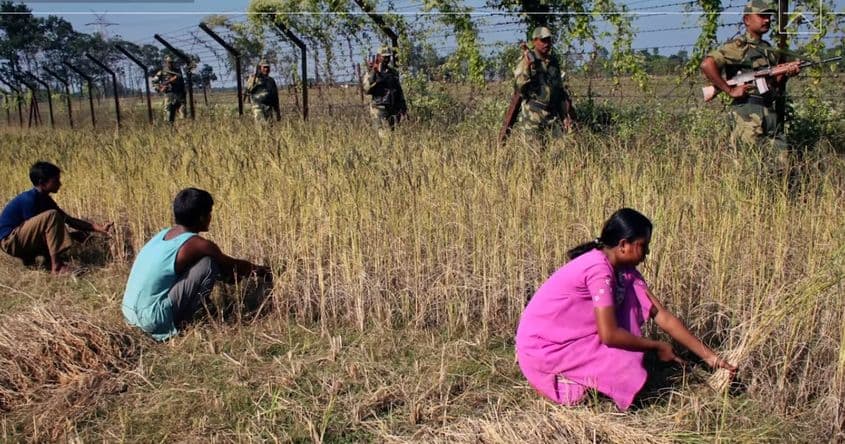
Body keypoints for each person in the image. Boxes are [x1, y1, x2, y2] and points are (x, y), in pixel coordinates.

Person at [515, 208, 736, 411]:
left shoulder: (624, 272)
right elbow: (610, 335)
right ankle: (561, 381)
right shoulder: (598, 269)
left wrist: (712, 359)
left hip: (568, 339)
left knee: (629, 357)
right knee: (627, 364)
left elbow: (663, 317)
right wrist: (656, 345)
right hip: (544, 349)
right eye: (643, 245)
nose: (647, 253)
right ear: (623, 245)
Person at [121, 188, 270, 341]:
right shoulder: (197, 244)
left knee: (203, 265)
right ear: (201, 217)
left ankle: (200, 312)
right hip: (152, 320)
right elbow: (232, 266)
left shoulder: (163, 234)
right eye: (209, 213)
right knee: (208, 264)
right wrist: (262, 271)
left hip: (129, 313)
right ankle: (184, 324)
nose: (211, 217)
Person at [700, 0, 800, 166]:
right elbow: (707, 64)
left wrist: (787, 73)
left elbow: (774, 83)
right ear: (747, 20)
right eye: (761, 16)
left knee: (781, 166)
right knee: (748, 167)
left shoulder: (768, 49)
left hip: (769, 112)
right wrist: (729, 90)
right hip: (747, 112)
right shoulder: (737, 47)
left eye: (768, 16)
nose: (767, 20)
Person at [0, 161, 113, 274]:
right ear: (42, 183)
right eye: (56, 180)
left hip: (19, 239)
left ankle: (40, 262)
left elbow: (69, 220)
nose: (60, 184)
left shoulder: (45, 199)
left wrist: (99, 228)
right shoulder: (29, 199)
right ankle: (57, 267)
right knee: (52, 215)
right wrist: (70, 236)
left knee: (53, 216)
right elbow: (38, 235)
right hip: (10, 242)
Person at [513, 26, 575, 139]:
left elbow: (559, 90)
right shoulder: (526, 60)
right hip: (533, 115)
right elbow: (519, 87)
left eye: (548, 40)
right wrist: (528, 66)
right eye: (543, 40)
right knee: (534, 153)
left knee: (558, 152)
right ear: (534, 41)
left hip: (552, 115)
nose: (546, 43)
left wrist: (564, 115)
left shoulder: (553, 62)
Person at [363, 46, 408, 138]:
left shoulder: (392, 72)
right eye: (384, 57)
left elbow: (398, 89)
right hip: (379, 107)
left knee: (394, 135)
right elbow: (366, 89)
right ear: (379, 57)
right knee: (384, 136)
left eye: (388, 57)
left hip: (393, 108)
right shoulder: (373, 71)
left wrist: (403, 106)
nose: (387, 59)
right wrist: (374, 79)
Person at [151, 55, 187, 123]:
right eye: (169, 62)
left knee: (183, 117)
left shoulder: (178, 71)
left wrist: (183, 96)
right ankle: (170, 131)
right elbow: (154, 82)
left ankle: (182, 131)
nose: (171, 64)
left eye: (172, 62)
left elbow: (182, 84)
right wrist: (160, 89)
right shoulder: (162, 72)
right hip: (169, 96)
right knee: (168, 117)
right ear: (165, 63)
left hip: (179, 96)